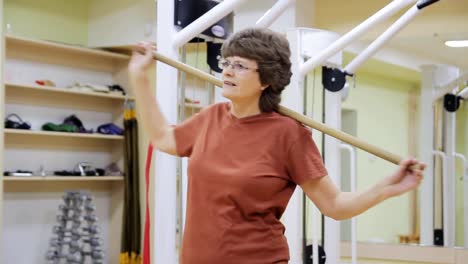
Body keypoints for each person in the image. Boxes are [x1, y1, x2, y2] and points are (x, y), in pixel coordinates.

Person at [128, 28, 426, 264]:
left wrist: (387, 187)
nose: (227, 71)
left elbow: (334, 205)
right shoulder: (211, 118)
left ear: (266, 80)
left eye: (240, 66)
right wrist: (138, 77)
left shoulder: (289, 134)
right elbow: (163, 138)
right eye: (227, 62)